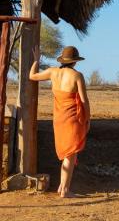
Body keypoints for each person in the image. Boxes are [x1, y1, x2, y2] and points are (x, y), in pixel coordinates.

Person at [29, 45, 90, 198]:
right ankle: (65, 191)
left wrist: (36, 60)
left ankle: (62, 187)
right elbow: (84, 101)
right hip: (73, 120)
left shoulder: (52, 72)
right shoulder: (77, 76)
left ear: (63, 60)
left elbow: (32, 76)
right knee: (70, 155)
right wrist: (88, 119)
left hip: (59, 120)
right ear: (75, 62)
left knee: (67, 155)